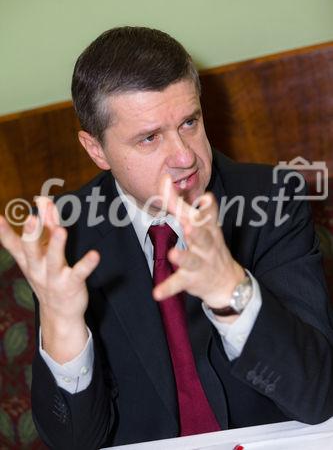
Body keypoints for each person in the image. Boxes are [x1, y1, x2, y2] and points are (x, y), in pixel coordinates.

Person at [0, 26, 332, 450]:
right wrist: (63, 326)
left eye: (189, 122)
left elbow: (319, 396)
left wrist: (232, 292)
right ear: (96, 149)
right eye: (150, 137)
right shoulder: (66, 234)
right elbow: (74, 443)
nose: (184, 156)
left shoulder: (272, 199)